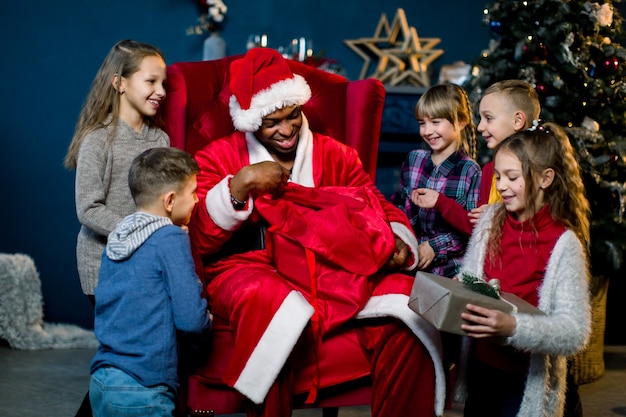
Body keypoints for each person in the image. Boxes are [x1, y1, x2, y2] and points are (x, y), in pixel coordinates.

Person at [187, 47, 447, 417]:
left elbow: (376, 203)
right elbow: (198, 238)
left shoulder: (335, 155)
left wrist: (394, 240)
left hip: (332, 267)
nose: (287, 130)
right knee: (271, 302)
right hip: (250, 265)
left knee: (408, 305)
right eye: (272, 122)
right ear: (250, 121)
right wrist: (239, 186)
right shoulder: (218, 157)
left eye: (292, 116)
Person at [63, 39, 170, 417]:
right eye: (151, 81)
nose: (160, 92)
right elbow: (88, 209)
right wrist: (142, 230)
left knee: (135, 351)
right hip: (104, 266)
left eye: (164, 84)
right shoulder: (99, 140)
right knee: (124, 352)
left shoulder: (160, 140)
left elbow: (164, 204)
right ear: (119, 82)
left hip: (146, 266)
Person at [456, 122, 592, 417]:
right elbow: (473, 279)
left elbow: (574, 332)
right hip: (482, 370)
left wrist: (513, 327)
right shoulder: (490, 219)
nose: (501, 186)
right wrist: (461, 287)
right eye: (498, 176)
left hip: (522, 382)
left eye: (512, 177)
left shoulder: (563, 243)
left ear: (546, 178)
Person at [89, 147, 212, 417]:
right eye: (192, 192)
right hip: (145, 387)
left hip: (103, 381)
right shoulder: (170, 239)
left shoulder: (121, 234)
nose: (196, 200)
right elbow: (190, 319)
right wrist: (208, 321)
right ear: (169, 201)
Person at [412, 80, 540, 236]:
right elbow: (474, 228)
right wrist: (440, 202)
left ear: (517, 120)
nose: (480, 127)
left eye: (488, 118)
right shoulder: (488, 172)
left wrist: (497, 215)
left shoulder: (538, 169)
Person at [392, 83, 481, 278]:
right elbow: (398, 205)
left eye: (435, 122)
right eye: (422, 123)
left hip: (448, 272)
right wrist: (400, 238)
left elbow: (474, 231)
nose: (427, 131)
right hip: (408, 264)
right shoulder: (414, 160)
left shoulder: (470, 172)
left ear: (461, 121)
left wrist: (435, 247)